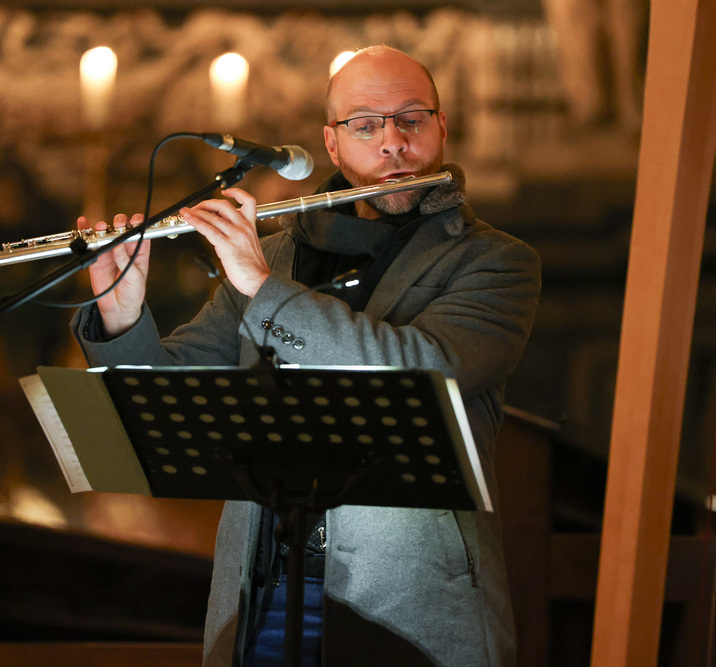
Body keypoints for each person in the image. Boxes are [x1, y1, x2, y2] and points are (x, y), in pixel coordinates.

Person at [71, 46, 541, 667]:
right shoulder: (273, 257)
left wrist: (263, 289)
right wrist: (122, 312)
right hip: (263, 593)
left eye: (412, 120)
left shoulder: (494, 261)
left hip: (408, 605)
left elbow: (424, 366)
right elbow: (164, 402)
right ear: (332, 144)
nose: (393, 143)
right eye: (365, 126)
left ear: (442, 127)